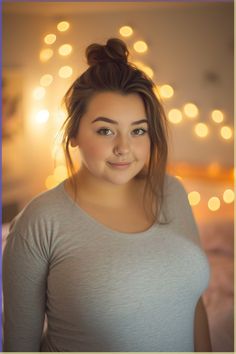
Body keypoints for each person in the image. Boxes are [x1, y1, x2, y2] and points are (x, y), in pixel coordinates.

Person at [3, 38, 212, 352]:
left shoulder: (173, 192)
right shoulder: (40, 222)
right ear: (74, 133)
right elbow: (20, 347)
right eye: (105, 130)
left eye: (138, 130)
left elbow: (193, 302)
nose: (124, 148)